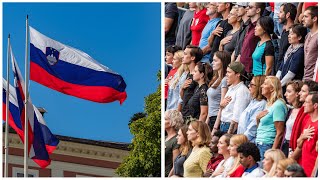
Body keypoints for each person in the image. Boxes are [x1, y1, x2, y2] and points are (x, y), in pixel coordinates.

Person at [256, 76, 287, 160]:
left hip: (267, 144)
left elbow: (280, 132)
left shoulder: (278, 105)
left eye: (265, 84)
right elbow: (262, 126)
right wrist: (257, 119)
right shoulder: (269, 104)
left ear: (272, 89)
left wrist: (272, 153)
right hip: (260, 142)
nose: (261, 86)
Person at [215, 62, 250, 134]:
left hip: (230, 127)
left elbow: (236, 118)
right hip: (223, 124)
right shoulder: (231, 88)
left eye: (229, 72)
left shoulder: (241, 91)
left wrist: (228, 135)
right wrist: (221, 106)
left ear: (238, 74)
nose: (226, 75)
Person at [290, 81, 318, 161]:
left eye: (303, 91)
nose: (299, 93)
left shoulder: (309, 115)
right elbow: (300, 140)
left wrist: (291, 159)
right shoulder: (304, 110)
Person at [237, 2, 265, 74]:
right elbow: (244, 47)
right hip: (243, 69)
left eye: (250, 7)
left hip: (252, 70)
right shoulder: (249, 26)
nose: (247, 9)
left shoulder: (261, 27)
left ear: (258, 10)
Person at [294, 92, 318, 177]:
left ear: (315, 105)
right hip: (304, 168)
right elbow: (299, 144)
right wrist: (302, 137)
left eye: (307, 102)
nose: (303, 105)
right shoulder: (308, 120)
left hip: (313, 171)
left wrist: (314, 174)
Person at [237, 75, 267, 143]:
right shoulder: (253, 101)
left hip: (248, 142)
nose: (248, 86)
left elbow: (253, 128)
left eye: (251, 85)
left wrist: (240, 141)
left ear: (259, 87)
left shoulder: (261, 104)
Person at [206, 51, 230, 131]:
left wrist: (215, 127)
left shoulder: (224, 80)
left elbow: (222, 104)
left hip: (217, 118)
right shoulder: (215, 78)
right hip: (211, 117)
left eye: (215, 61)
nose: (212, 63)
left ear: (223, 62)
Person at [180, 45, 202, 121]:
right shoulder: (188, 74)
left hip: (192, 117)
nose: (183, 56)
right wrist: (182, 88)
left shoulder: (197, 76)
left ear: (193, 58)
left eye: (185, 54)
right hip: (184, 115)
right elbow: (184, 97)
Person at [281, 80, 303, 157]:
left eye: (289, 92)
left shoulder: (303, 111)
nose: (285, 94)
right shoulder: (290, 110)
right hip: (285, 144)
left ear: (297, 94)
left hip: (294, 146)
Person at [277, 3, 297, 72]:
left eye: (280, 12)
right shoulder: (284, 32)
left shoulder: (294, 35)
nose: (278, 15)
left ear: (287, 15)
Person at [165, 109, 184, 177]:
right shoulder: (164, 138)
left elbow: (175, 165)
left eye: (165, 119)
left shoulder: (176, 140)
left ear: (171, 122)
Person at [302, 6, 318, 81]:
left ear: (314, 18)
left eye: (306, 17)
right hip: (306, 77)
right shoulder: (308, 35)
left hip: (315, 79)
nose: (302, 19)